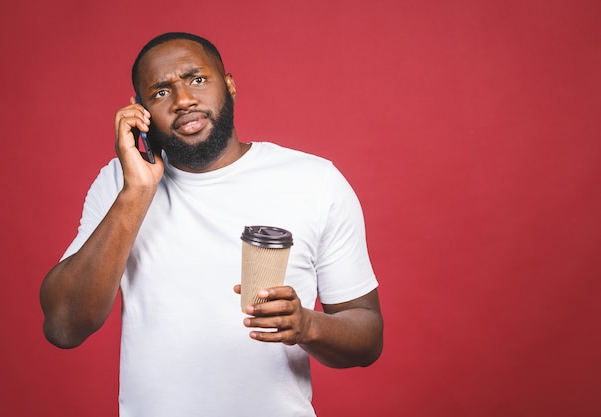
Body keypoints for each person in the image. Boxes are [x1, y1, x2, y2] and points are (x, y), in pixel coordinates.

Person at [40, 32, 383, 416]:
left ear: (230, 85)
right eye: (160, 93)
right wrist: (136, 192)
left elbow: (367, 336)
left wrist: (307, 325)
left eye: (197, 80)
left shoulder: (315, 181)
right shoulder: (120, 184)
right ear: (141, 112)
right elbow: (64, 326)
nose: (184, 100)